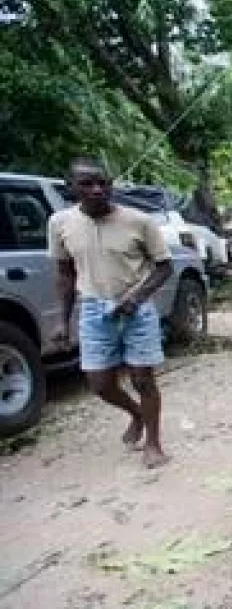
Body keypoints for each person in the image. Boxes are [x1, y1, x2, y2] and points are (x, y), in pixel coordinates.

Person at [49, 158, 174, 469]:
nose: (96, 189)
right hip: (93, 308)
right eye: (87, 184)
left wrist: (137, 297)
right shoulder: (60, 223)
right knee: (100, 384)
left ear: (111, 185)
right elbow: (65, 273)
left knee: (142, 378)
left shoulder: (139, 221)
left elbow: (164, 267)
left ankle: (154, 444)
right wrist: (62, 322)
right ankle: (136, 415)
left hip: (136, 307)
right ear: (72, 188)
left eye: (103, 183)